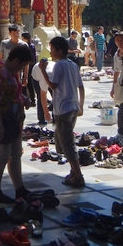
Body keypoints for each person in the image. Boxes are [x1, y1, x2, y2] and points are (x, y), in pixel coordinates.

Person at [0, 43, 35, 202]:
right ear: (16, 60)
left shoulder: (12, 72)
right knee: (1, 156)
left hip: (14, 121)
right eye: (23, 65)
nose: (23, 68)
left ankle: (20, 189)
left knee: (15, 155)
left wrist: (23, 99)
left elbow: (13, 93)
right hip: (0, 121)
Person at [39, 37, 85, 188]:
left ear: (59, 51)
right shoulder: (73, 65)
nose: (51, 53)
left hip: (63, 109)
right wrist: (81, 106)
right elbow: (81, 87)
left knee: (67, 143)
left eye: (52, 49)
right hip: (72, 107)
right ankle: (73, 172)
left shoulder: (59, 66)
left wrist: (42, 70)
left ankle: (78, 175)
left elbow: (53, 85)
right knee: (62, 142)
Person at [31, 57, 52, 126]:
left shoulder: (52, 68)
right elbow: (43, 94)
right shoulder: (43, 73)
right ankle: (41, 118)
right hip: (36, 78)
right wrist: (46, 112)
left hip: (49, 77)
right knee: (40, 98)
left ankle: (55, 116)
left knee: (55, 96)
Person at [20, 31, 37, 106]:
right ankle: (25, 99)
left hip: (30, 66)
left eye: (23, 38)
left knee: (28, 82)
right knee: (24, 83)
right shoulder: (25, 46)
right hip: (25, 65)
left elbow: (32, 57)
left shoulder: (30, 46)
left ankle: (32, 99)